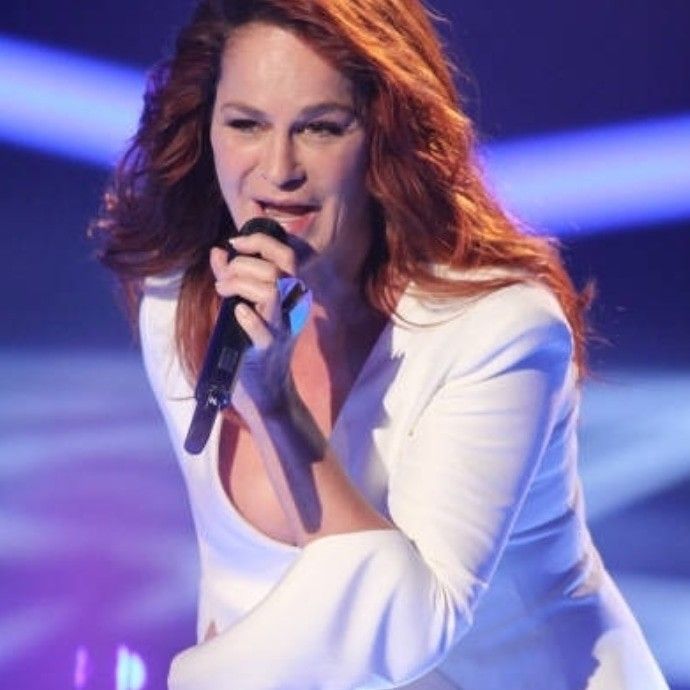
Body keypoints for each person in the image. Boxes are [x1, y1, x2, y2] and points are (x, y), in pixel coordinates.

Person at [92, 1, 669, 688]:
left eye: (321, 128)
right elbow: (244, 587)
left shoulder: (499, 331)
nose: (278, 169)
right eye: (246, 124)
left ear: (384, 136)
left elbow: (410, 625)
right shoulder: (180, 304)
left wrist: (276, 406)